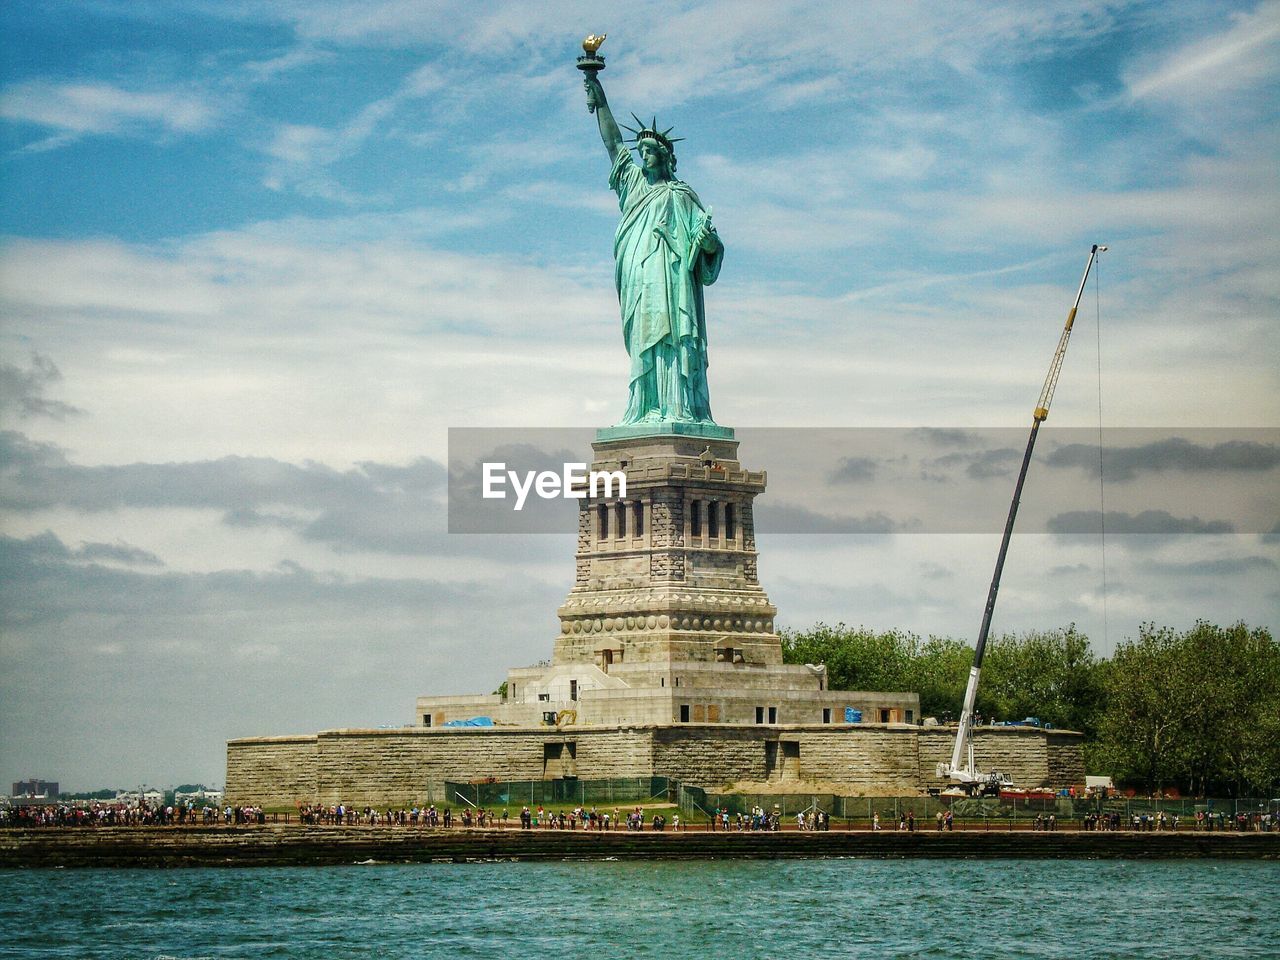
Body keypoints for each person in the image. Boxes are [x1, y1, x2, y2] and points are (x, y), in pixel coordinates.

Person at [583, 72, 723, 426]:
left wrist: (707, 244)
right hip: (640, 278)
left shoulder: (681, 195)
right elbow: (613, 143)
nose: (643, 157)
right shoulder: (631, 185)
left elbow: (708, 246)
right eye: (641, 151)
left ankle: (679, 408)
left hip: (674, 282)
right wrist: (598, 94)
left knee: (674, 339)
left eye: (649, 152)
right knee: (646, 336)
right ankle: (645, 409)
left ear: (664, 157)